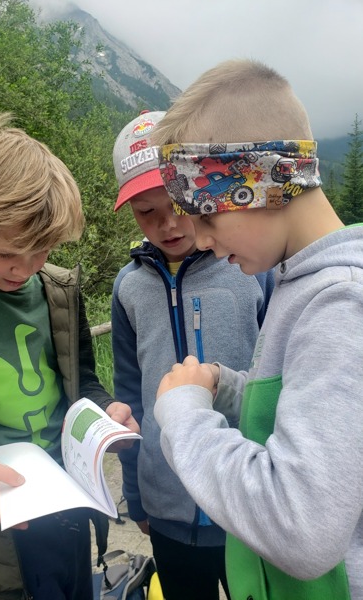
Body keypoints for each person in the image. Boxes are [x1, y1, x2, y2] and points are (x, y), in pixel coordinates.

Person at [151, 58, 363, 600]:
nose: (200, 240)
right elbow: (310, 411)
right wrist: (229, 390)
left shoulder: (340, 305)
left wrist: (186, 419)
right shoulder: (302, 283)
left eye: (207, 215)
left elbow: (301, 528)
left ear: (266, 183)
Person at [0, 110, 139, 600]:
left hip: (68, 512)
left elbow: (81, 382)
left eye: (43, 251)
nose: (24, 269)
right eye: (6, 253)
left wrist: (103, 413)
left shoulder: (58, 292)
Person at [111, 110, 274, 600]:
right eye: (146, 211)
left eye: (178, 202)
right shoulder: (127, 288)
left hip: (247, 502)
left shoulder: (252, 267)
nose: (167, 224)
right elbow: (131, 396)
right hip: (166, 509)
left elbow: (281, 382)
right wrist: (136, 495)